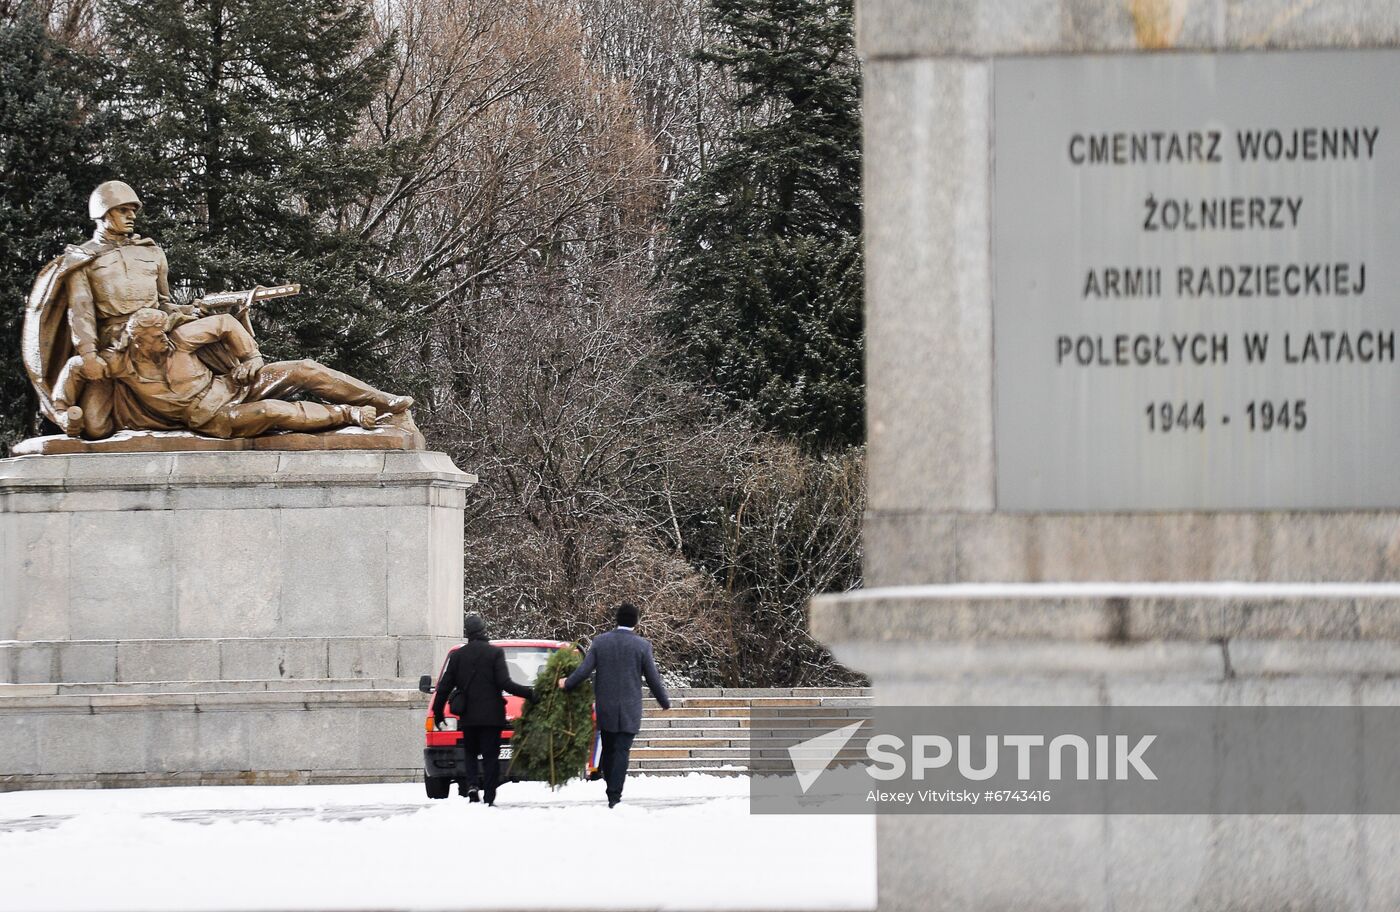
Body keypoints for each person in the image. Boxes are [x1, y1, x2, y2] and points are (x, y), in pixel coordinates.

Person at [53, 308, 412, 438]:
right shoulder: (119, 367)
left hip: (232, 383)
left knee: (303, 368)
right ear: (136, 342)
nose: (164, 340)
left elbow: (225, 323)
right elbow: (74, 369)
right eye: (155, 337)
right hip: (212, 416)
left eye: (164, 333)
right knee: (272, 412)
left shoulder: (179, 339)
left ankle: (386, 401)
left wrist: (251, 358)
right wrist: (61, 408)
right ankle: (348, 414)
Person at [23, 181, 200, 438]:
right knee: (96, 427)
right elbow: (81, 312)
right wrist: (89, 354)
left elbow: (164, 301)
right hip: (113, 345)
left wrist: (187, 310)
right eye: (123, 210)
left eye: (133, 211)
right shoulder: (82, 258)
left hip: (155, 339)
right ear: (103, 214)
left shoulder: (152, 252)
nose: (132, 216)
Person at [558, 603, 670, 807]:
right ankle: (614, 794)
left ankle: (611, 787)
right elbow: (653, 678)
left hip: (606, 706)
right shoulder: (642, 645)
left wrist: (567, 683)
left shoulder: (601, 642)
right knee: (622, 751)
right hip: (630, 707)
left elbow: (584, 670)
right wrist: (664, 701)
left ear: (616, 619)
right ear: (636, 622)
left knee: (609, 748)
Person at [433, 614, 535, 805]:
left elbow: (444, 688)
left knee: (470, 753)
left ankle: (472, 786)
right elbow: (506, 683)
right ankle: (489, 796)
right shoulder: (494, 654)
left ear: (467, 633)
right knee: (491, 757)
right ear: (483, 630)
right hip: (492, 716)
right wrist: (529, 694)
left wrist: (439, 713)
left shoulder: (457, 656)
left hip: (468, 716)